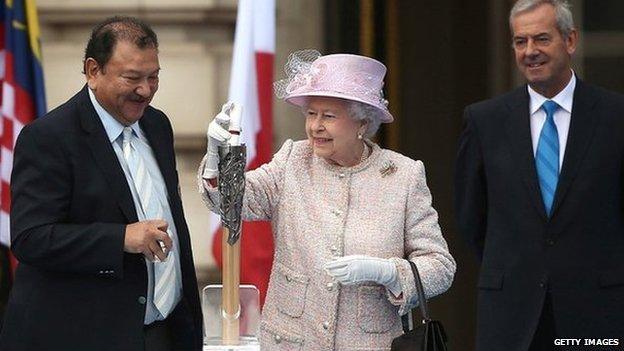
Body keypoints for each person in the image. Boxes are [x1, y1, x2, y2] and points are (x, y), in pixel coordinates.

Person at [199, 50, 456, 350]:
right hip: (292, 342)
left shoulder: (403, 175)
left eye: (329, 116)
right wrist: (217, 161)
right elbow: (233, 202)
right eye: (311, 113)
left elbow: (440, 267)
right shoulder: (293, 160)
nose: (315, 126)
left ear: (362, 122)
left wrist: (389, 273)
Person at [0, 16, 202, 351]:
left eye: (153, 77)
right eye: (132, 78)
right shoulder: (49, 137)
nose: (146, 90)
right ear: (93, 72)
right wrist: (120, 237)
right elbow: (30, 237)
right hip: (84, 335)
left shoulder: (157, 125)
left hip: (163, 332)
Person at [455, 1, 624, 350]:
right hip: (511, 314)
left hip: (596, 312)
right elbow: (472, 217)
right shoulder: (484, 121)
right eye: (520, 41)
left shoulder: (615, 117)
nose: (530, 51)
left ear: (570, 40)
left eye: (542, 39)